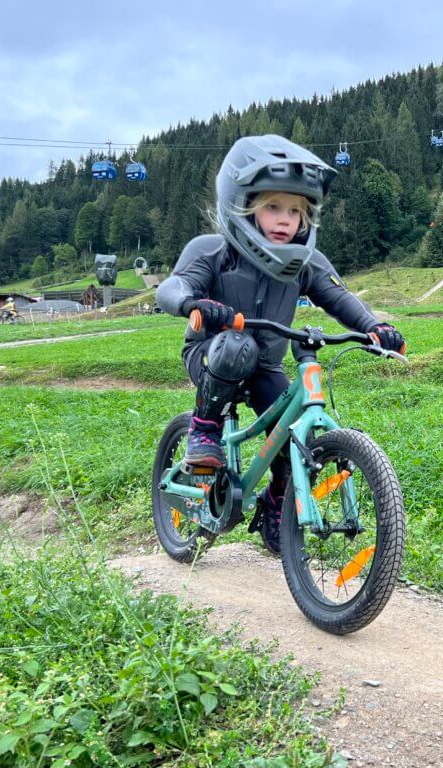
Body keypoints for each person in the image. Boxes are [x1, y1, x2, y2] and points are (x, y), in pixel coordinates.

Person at [156, 134, 405, 554]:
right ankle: (203, 429)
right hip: (211, 355)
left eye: (296, 210)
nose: (286, 218)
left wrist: (376, 326)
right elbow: (174, 285)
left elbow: (339, 297)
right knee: (236, 347)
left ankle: (277, 504)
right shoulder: (213, 252)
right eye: (273, 206)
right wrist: (192, 302)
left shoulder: (305, 262)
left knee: (295, 445)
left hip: (265, 366)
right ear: (243, 204)